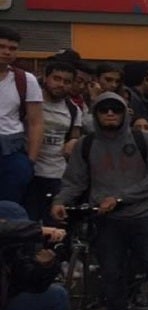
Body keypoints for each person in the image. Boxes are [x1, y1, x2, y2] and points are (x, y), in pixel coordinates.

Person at [50, 91, 148, 310]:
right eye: (104, 109)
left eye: (116, 109)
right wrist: (60, 201)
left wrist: (120, 198)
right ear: (96, 113)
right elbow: (74, 181)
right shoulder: (86, 145)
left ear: (124, 113)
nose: (110, 114)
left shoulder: (144, 139)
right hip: (107, 219)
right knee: (111, 272)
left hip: (145, 215)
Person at [0, 201, 73, 310]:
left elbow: (33, 285)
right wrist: (40, 230)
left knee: (55, 295)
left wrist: (46, 266)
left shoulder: (13, 251)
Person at [23, 58, 83, 221]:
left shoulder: (73, 109)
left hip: (57, 175)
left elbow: (74, 137)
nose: (61, 84)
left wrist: (74, 142)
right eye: (56, 79)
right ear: (46, 78)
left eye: (67, 81)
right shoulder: (28, 103)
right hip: (29, 172)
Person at [0, 27, 43, 206]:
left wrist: (30, 161)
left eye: (12, 48)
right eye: (1, 46)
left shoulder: (26, 79)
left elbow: (36, 122)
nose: (7, 51)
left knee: (10, 208)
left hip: (12, 149)